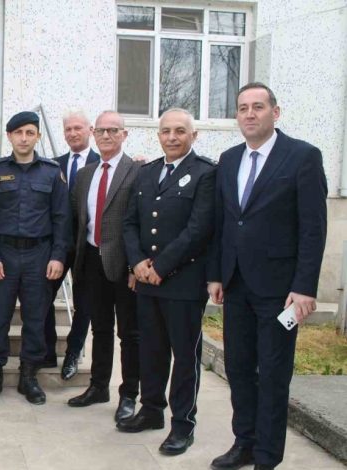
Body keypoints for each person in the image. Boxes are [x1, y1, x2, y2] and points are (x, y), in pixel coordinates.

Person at [208, 83, 327, 470]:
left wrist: (304, 287)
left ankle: (266, 456)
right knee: (238, 368)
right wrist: (216, 274)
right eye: (243, 107)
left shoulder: (303, 157)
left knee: (273, 374)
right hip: (236, 284)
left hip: (280, 290)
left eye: (258, 107)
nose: (249, 114)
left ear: (275, 113)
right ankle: (244, 442)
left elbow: (313, 228)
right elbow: (224, 222)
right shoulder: (229, 159)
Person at [120, 108, 216, 456]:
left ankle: (182, 424)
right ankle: (151, 410)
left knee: (184, 357)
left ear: (194, 135)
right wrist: (137, 263)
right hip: (146, 280)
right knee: (151, 350)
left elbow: (199, 229)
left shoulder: (205, 173)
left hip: (183, 283)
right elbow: (130, 223)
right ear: (158, 135)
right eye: (165, 131)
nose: (172, 137)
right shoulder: (147, 173)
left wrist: (160, 266)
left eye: (179, 131)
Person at [0, 111, 70, 405]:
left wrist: (58, 256)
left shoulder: (52, 173)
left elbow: (62, 218)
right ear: (9, 136)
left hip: (39, 256)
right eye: (18, 133)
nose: (24, 138)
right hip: (3, 254)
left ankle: (29, 376)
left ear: (38, 136)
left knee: (35, 318)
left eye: (30, 133)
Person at [66, 111, 141, 423]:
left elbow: (140, 221)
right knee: (99, 328)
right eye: (102, 131)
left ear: (124, 134)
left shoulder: (137, 171)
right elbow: (77, 219)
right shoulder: (86, 174)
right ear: (93, 134)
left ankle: (129, 394)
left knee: (129, 333)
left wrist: (136, 266)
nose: (107, 136)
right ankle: (98, 387)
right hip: (91, 261)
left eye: (114, 130)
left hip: (124, 265)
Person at [48, 108, 100, 379]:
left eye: (78, 128)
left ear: (90, 130)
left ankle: (72, 353)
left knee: (85, 303)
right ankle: (47, 349)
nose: (72, 133)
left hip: (87, 248)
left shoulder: (102, 163)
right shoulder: (53, 165)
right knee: (42, 296)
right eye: (68, 129)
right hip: (57, 245)